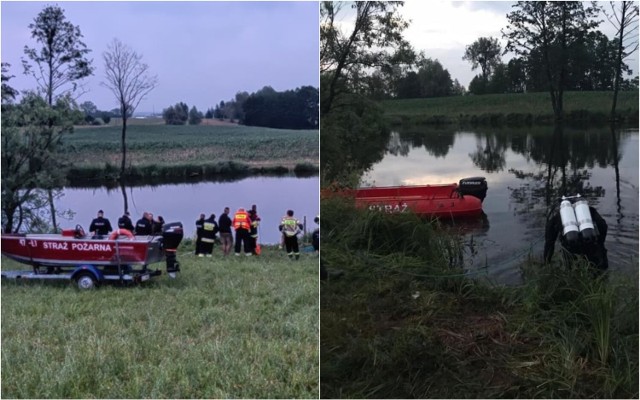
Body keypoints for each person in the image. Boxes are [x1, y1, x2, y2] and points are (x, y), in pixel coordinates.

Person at [543, 200, 608, 271]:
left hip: (570, 245)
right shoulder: (588, 211)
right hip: (591, 244)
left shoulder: (555, 215)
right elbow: (603, 226)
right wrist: (600, 244)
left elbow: (549, 244)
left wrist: (547, 263)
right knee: (598, 271)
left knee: (572, 272)